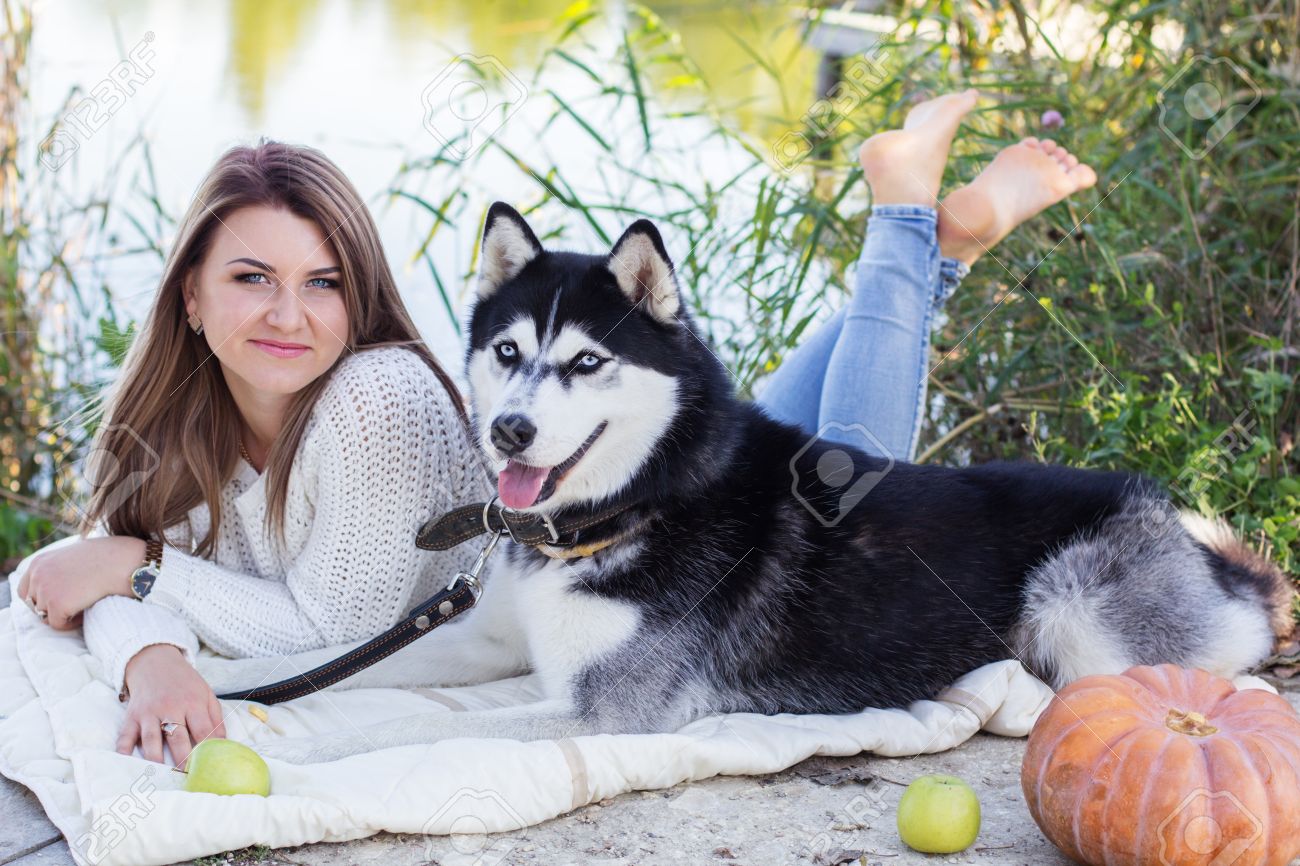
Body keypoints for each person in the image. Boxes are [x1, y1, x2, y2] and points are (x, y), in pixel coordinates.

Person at [12, 91, 1096, 767]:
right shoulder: (160, 422)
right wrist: (146, 631)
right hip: (639, 468)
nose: (289, 314)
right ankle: (936, 247)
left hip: (628, 508)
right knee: (772, 417)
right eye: (250, 278)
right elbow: (82, 587)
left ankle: (906, 219)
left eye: (322, 282)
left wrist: (138, 569)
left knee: (849, 478)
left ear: (358, 299)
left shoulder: (371, 400)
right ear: (190, 295)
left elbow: (316, 616)